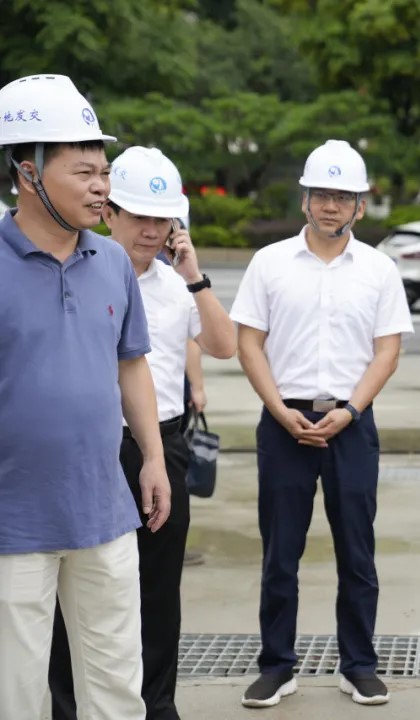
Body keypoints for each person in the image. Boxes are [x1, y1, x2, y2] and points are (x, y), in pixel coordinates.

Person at [0, 73, 170, 720]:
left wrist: (152, 458)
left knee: (116, 685)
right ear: (28, 173)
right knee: (14, 692)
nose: (102, 187)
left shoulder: (112, 262)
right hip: (12, 520)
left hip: (104, 511)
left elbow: (132, 364)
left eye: (104, 172)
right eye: (84, 173)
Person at [48, 146, 237, 719]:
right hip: (93, 447)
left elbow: (224, 345)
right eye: (140, 218)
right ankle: (69, 706)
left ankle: (157, 705)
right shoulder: (78, 270)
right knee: (73, 587)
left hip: (162, 446)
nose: (152, 231)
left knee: (157, 587)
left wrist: (194, 275)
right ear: (110, 213)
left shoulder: (177, 284)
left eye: (162, 220)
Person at [231, 139, 413, 708]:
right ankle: (277, 666)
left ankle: (358, 665)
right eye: (321, 195)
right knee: (279, 553)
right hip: (283, 420)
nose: (330, 206)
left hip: (351, 422)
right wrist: (278, 409)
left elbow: (387, 351)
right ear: (304, 198)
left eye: (343, 196)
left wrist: (351, 410)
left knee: (357, 552)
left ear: (360, 205)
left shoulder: (379, 269)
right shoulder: (270, 263)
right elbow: (248, 343)